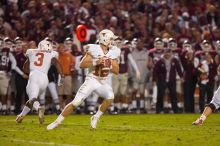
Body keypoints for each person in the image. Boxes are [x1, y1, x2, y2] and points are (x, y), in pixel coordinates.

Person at [47, 29, 120, 130]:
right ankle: (57, 122)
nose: (113, 41)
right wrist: (96, 62)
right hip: (92, 80)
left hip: (103, 81)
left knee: (110, 97)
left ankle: (95, 117)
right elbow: (81, 64)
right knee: (76, 102)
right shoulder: (94, 49)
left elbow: (116, 71)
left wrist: (109, 63)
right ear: (104, 39)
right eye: (111, 39)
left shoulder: (114, 52)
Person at [15, 39, 64, 124]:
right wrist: (62, 76)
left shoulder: (31, 52)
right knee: (32, 99)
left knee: (32, 97)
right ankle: (21, 116)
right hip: (45, 79)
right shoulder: (52, 53)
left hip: (34, 75)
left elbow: (25, 69)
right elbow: (56, 63)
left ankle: (38, 109)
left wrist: (29, 61)